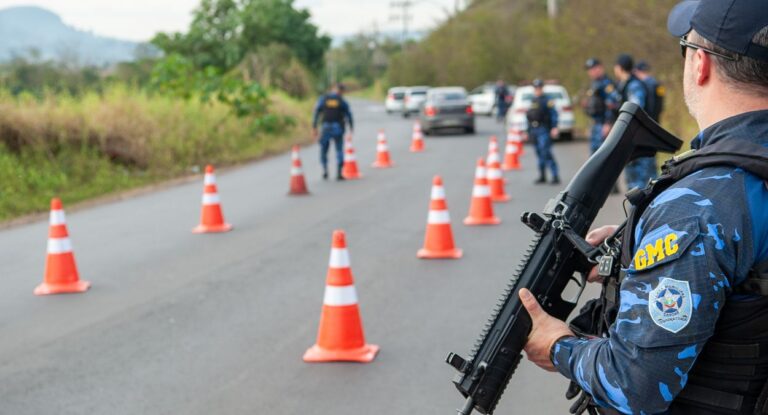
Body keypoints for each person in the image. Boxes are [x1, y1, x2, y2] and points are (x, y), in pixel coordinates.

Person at [518, 1, 768, 414]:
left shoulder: (696, 208)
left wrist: (559, 346)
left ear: (700, 64)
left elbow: (635, 384)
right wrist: (637, 249)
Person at [614, 53, 658, 191]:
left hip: (639, 138)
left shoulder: (634, 85)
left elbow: (635, 110)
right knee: (636, 178)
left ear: (619, 68)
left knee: (643, 179)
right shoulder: (625, 84)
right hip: (636, 137)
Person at [312, 83, 354, 180]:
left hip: (326, 127)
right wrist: (351, 128)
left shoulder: (324, 99)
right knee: (339, 150)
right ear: (341, 91)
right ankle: (339, 172)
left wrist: (314, 127)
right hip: (337, 128)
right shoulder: (341, 101)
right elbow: (349, 115)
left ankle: (325, 170)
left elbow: (317, 112)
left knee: (324, 150)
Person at [526, 79, 560, 185]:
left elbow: (554, 114)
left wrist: (554, 127)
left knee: (546, 152)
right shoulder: (533, 100)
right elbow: (529, 116)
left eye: (539, 88)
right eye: (536, 88)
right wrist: (527, 131)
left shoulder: (547, 100)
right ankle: (542, 175)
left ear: (542, 88)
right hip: (534, 129)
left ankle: (555, 175)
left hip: (543, 128)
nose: (537, 90)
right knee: (538, 153)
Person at [583, 58, 620, 154]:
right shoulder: (594, 83)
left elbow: (612, 104)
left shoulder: (606, 83)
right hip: (595, 124)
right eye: (589, 70)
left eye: (593, 69)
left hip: (603, 125)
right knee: (594, 156)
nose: (591, 72)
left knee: (603, 155)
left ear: (600, 68)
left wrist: (608, 123)